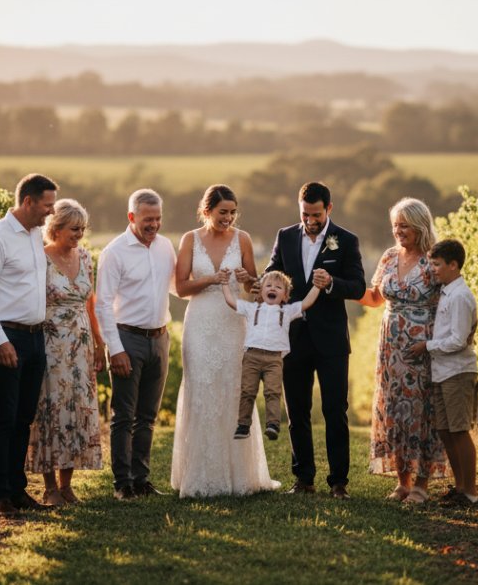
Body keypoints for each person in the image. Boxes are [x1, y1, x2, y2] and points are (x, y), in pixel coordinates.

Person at [170, 185, 278, 497]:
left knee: (234, 391)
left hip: (233, 323)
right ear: (207, 211)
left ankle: (240, 475)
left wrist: (249, 281)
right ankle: (200, 475)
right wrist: (210, 279)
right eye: (222, 212)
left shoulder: (243, 239)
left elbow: (255, 292)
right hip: (200, 324)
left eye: (232, 212)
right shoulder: (190, 239)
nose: (228, 218)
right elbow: (181, 287)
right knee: (201, 390)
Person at [262, 181, 365, 499]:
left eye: (316, 214)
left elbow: (358, 287)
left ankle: (338, 482)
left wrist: (332, 282)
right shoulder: (285, 236)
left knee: (335, 410)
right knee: (297, 412)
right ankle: (303, 479)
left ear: (329, 209)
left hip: (331, 340)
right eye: (305, 214)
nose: (309, 220)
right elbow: (272, 271)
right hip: (293, 338)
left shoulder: (346, 240)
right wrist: (267, 285)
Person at [0, 173, 58, 517]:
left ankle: (17, 489)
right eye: (47, 205)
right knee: (4, 418)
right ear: (28, 202)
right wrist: (0, 341)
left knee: (24, 418)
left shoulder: (35, 234)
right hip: (8, 337)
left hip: (35, 336)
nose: (51, 212)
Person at [358, 197, 448, 504]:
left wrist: (437, 343)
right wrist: (340, 287)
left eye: (405, 225)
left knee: (422, 410)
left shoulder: (434, 261)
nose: (398, 231)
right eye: (396, 225)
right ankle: (402, 483)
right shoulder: (388, 256)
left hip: (421, 345)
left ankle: (421, 485)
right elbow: (374, 298)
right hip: (390, 346)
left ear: (420, 226)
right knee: (394, 409)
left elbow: (448, 302)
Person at [95, 188, 177, 500]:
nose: (154, 224)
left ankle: (141, 480)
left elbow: (176, 287)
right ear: (132, 217)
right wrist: (114, 349)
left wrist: (212, 283)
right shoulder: (114, 252)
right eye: (147, 219)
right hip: (127, 339)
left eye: (158, 218)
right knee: (124, 416)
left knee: (148, 417)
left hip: (160, 338)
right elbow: (103, 304)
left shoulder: (165, 246)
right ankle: (122, 483)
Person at [26, 199, 106, 506]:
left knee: (77, 408)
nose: (79, 235)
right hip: (51, 344)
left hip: (81, 346)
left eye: (82, 229)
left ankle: (67, 485)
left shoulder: (84, 256)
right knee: (51, 410)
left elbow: (90, 302)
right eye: (74, 229)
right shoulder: (40, 257)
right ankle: (49, 488)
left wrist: (98, 342)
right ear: (56, 229)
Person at [410, 238, 478, 505]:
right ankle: (460, 487)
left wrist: (426, 346)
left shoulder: (460, 296)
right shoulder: (447, 292)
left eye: (437, 264)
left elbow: (458, 340)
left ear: (453, 265)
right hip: (443, 371)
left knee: (459, 431)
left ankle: (471, 492)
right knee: (446, 431)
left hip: (457, 372)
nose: (433, 269)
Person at [222, 270, 321, 440]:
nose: (272, 288)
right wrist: (225, 283)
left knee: (273, 392)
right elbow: (231, 301)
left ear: (285, 296)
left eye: (278, 287)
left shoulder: (287, 311)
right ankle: (243, 425)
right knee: (247, 391)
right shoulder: (252, 308)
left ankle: (272, 424)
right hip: (252, 357)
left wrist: (317, 286)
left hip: (274, 359)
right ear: (261, 291)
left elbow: (306, 302)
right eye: (268, 285)